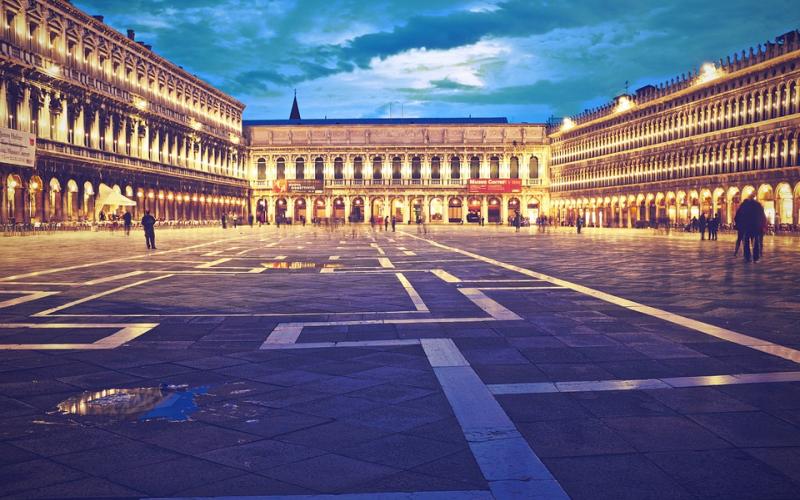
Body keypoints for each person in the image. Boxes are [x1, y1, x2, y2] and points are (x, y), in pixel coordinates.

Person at [733, 197, 765, 262]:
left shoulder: (743, 206)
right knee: (756, 241)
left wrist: (740, 224)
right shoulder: (758, 206)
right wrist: (761, 225)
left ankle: (747, 257)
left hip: (746, 226)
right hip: (756, 226)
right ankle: (756, 257)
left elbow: (736, 217)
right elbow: (762, 216)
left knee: (746, 241)